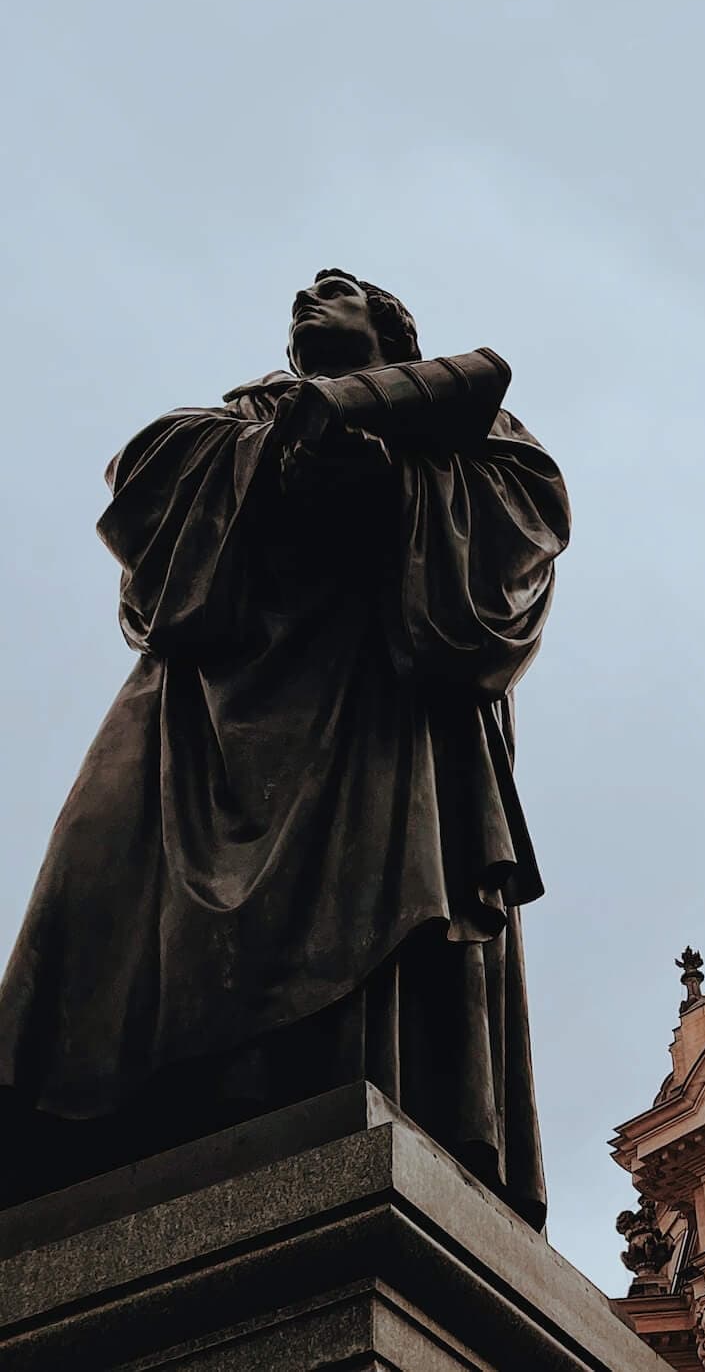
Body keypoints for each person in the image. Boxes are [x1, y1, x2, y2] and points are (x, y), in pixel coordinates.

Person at [0, 271, 568, 1226]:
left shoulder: (473, 429)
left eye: (337, 289)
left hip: (375, 710)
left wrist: (389, 473)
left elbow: (519, 534)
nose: (309, 296)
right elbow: (149, 508)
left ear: (390, 327)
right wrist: (281, 454)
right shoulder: (225, 426)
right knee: (95, 887)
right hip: (201, 720)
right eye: (303, 293)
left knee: (362, 935)